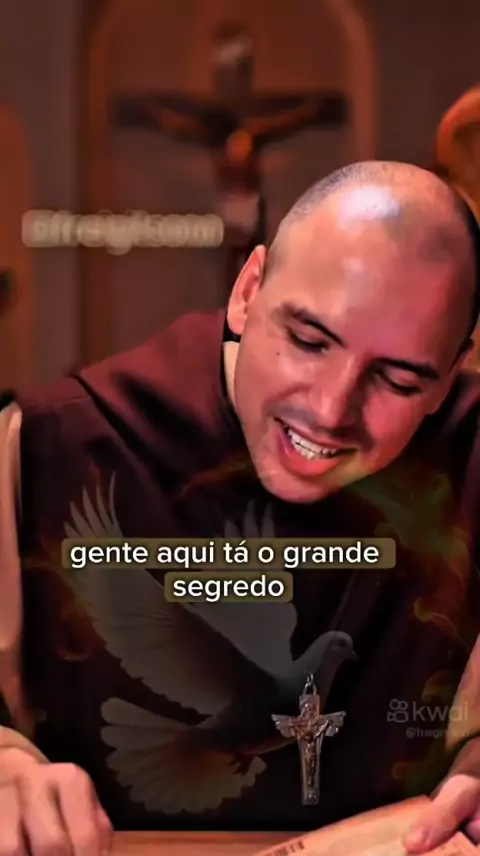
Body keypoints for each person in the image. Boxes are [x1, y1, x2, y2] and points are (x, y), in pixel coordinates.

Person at [1, 160, 480, 855]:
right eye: (308, 341)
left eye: (399, 380)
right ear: (248, 291)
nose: (330, 411)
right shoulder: (43, 447)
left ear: (453, 371)